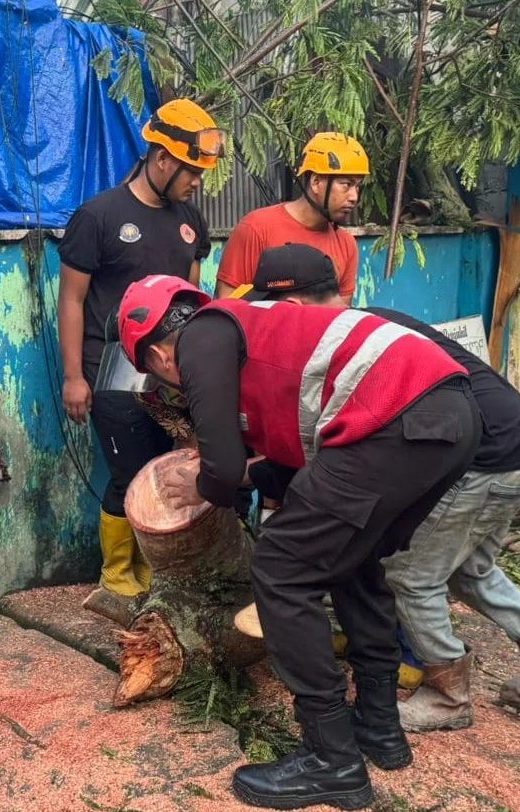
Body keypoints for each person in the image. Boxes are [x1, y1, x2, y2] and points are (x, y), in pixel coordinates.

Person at [114, 274, 480, 810]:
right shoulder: (256, 342)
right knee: (354, 559)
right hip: (445, 418)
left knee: (282, 568)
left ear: (158, 357)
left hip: (398, 417)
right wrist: (235, 476)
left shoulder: (202, 335)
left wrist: (199, 482)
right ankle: (378, 728)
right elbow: (293, 473)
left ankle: (331, 759)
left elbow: (220, 474)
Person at [241, 244, 520, 733]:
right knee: (469, 567)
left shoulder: (346, 343)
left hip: (483, 459)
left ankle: (448, 696)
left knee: (411, 575)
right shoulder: (374, 322)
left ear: (291, 308)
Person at [57, 98, 218, 613]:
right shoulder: (99, 216)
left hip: (173, 376)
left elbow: (193, 301)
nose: (197, 182)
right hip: (111, 371)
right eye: (191, 170)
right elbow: (72, 300)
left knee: (169, 470)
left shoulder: (191, 220)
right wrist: (72, 376)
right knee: (129, 474)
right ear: (163, 159)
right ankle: (117, 576)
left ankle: (155, 568)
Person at [214, 132, 367, 303]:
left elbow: (339, 321)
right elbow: (227, 308)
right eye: (346, 184)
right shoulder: (256, 228)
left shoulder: (346, 244)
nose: (354, 196)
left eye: (358, 186)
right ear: (315, 182)